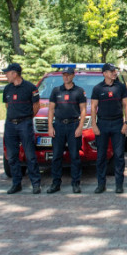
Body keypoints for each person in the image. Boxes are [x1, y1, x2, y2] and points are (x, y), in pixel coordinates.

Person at [90, 63, 127, 194]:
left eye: (114, 71)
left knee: (119, 155)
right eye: (111, 71)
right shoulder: (97, 88)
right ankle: (101, 184)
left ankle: (119, 184)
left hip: (118, 123)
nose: (114, 73)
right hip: (102, 124)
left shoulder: (120, 87)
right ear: (105, 73)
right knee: (101, 156)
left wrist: (126, 122)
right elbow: (93, 107)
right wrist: (94, 125)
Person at [46, 65, 87, 193]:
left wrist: (80, 127)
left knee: (75, 156)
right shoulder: (56, 91)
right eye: (64, 75)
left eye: (68, 74)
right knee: (57, 155)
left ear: (73, 75)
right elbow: (51, 109)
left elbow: (83, 110)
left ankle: (76, 183)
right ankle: (56, 183)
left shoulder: (79, 91)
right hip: (58, 125)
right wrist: (50, 126)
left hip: (73, 125)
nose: (66, 77)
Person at [2, 62, 41, 194]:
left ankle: (36, 183)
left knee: (30, 155)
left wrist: (27, 118)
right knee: (12, 156)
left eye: (7, 73)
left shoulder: (30, 87)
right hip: (10, 125)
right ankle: (16, 183)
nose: (6, 75)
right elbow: (7, 106)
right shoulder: (7, 88)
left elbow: (36, 106)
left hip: (25, 123)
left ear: (14, 73)